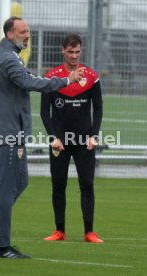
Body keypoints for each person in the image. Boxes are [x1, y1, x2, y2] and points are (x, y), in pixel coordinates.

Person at [0, 17, 84, 259]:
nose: (27, 35)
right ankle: (2, 246)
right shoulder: (7, 58)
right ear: (9, 34)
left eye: (28, 31)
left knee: (20, 182)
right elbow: (29, 82)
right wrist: (66, 80)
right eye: (23, 32)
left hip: (8, 130)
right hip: (9, 133)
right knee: (6, 189)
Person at [40, 33, 103, 243]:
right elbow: (44, 112)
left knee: (87, 185)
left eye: (77, 52)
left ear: (81, 51)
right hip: (60, 143)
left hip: (84, 143)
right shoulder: (51, 78)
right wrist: (53, 138)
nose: (74, 56)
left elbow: (99, 110)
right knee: (58, 185)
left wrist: (94, 136)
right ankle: (59, 231)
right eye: (70, 52)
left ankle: (89, 232)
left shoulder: (92, 77)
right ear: (63, 51)